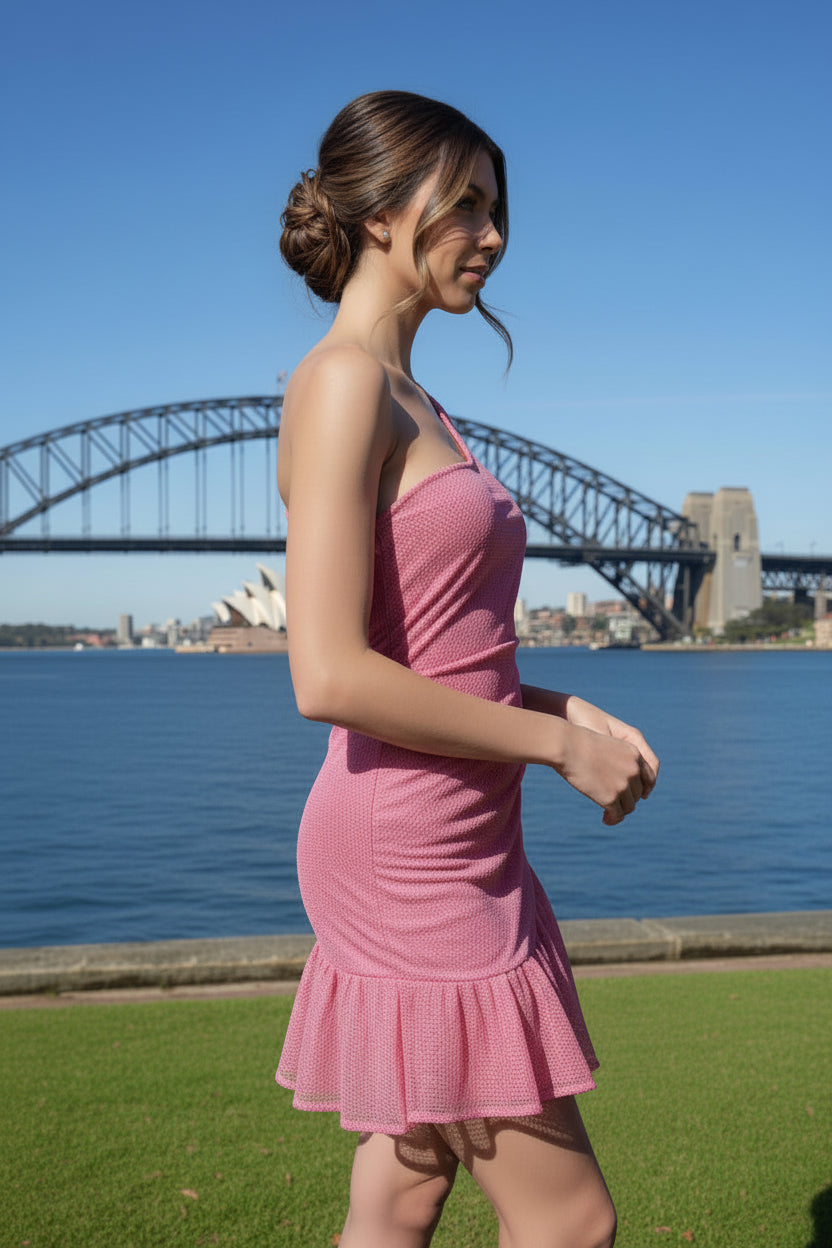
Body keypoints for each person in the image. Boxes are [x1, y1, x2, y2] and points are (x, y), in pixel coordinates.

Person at [274, 90, 659, 1248]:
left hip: (468, 834)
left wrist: (559, 702)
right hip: (411, 850)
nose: (493, 235)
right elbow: (329, 675)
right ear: (384, 211)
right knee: (571, 1221)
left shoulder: (413, 395)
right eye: (469, 206)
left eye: (500, 208)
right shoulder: (344, 383)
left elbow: (437, 647)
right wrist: (553, 747)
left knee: (403, 1190)